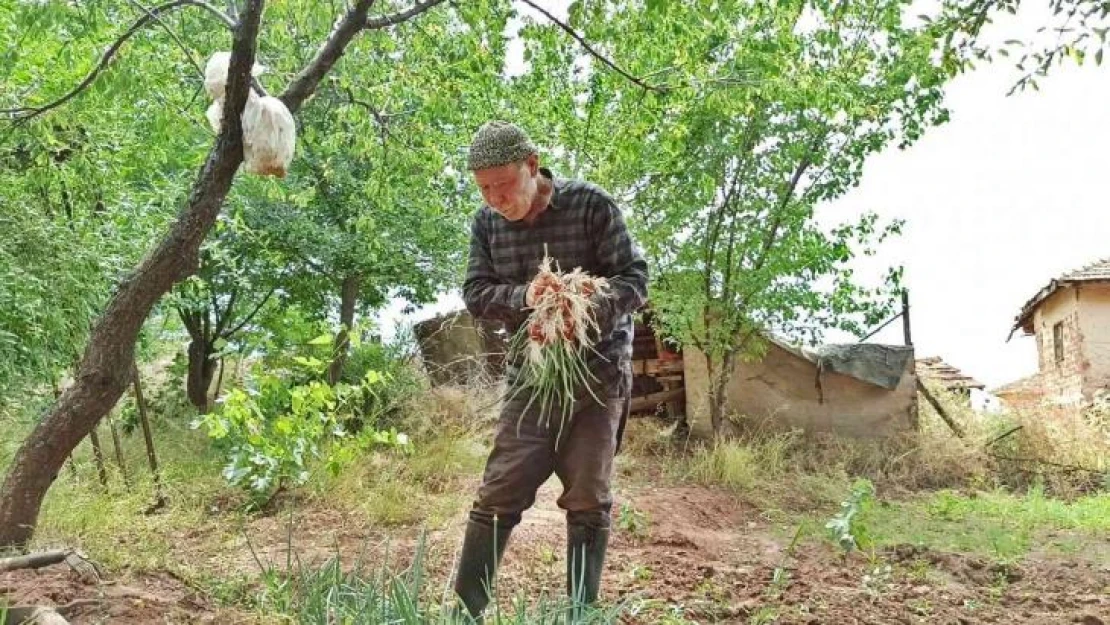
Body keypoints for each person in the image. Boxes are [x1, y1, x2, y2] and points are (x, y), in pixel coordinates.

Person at [451, 120, 649, 621]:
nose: (495, 198)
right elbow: (475, 295)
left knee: (588, 495)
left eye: (503, 184)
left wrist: (581, 301)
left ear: (532, 167)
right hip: (531, 377)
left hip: (598, 375)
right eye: (484, 188)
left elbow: (635, 280)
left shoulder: (591, 206)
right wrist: (525, 297)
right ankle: (465, 612)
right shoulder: (486, 224)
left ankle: (579, 613)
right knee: (499, 490)